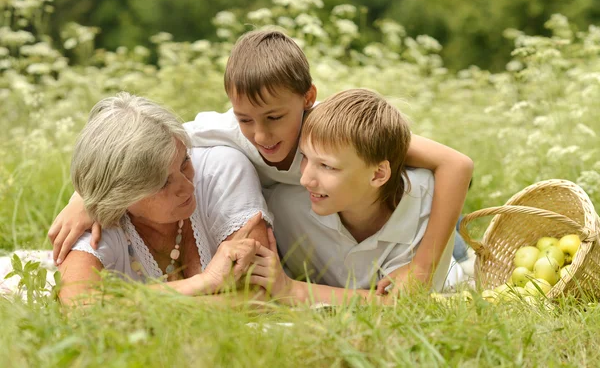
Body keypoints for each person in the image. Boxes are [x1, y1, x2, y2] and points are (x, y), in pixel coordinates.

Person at [49, 29, 473, 289]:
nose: (261, 134)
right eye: (246, 119)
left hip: (410, 214)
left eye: (275, 117)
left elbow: (457, 165)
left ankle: (456, 258)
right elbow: (131, 151)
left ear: (308, 98)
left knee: (448, 264)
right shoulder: (227, 130)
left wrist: (421, 269)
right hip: (332, 231)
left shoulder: (336, 133)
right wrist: (85, 198)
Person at [57, 93, 273, 303]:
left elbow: (259, 295)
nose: (187, 186)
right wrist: (204, 283)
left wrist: (131, 306)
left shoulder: (221, 170)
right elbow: (80, 306)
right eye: (163, 183)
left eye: (185, 162)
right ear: (121, 197)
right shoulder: (94, 221)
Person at [248, 89, 455, 304]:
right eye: (305, 157)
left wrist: (292, 289)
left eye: (327, 166)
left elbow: (400, 304)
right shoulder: (285, 207)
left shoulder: (428, 205)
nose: (305, 180)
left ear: (378, 174)